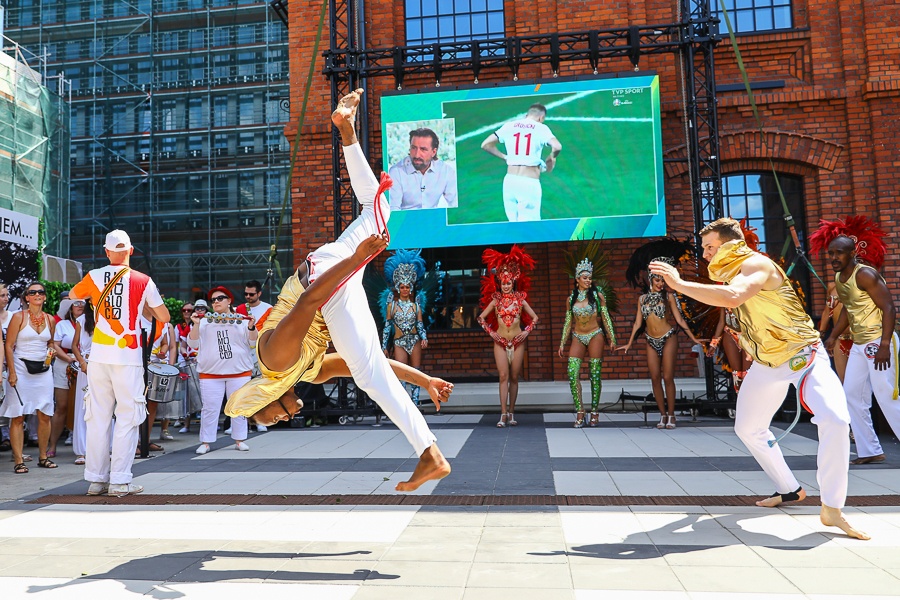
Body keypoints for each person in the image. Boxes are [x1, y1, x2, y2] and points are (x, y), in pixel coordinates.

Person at [225, 88, 451, 492]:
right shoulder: (306, 372)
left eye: (271, 416)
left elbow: (312, 299)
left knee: (368, 375)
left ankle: (430, 454)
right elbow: (362, 362)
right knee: (379, 208)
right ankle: (346, 130)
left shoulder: (275, 359)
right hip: (329, 268)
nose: (282, 419)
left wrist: (358, 261)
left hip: (325, 277)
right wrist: (424, 380)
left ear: (266, 396)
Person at [648, 217, 868, 540]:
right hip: (767, 363)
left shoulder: (756, 265)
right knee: (747, 428)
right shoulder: (735, 272)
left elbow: (736, 297)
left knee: (835, 419)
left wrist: (679, 284)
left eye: (710, 247)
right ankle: (790, 489)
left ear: (730, 244)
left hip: (803, 355)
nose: (706, 255)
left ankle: (832, 507)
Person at [69, 229, 170, 498]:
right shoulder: (143, 280)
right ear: (131, 251)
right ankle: (120, 481)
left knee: (98, 418)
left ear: (107, 251)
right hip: (128, 356)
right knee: (128, 418)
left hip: (99, 356)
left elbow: (72, 294)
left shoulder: (92, 276)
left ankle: (96, 479)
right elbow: (164, 315)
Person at [811, 219, 899, 466]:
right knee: (851, 394)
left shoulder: (866, 274)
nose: (834, 257)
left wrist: (884, 345)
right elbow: (849, 310)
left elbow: (889, 308)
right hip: (860, 343)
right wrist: (833, 336)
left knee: (886, 395)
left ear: (853, 253)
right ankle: (869, 449)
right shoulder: (840, 278)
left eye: (839, 252)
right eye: (831, 254)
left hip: (878, 341)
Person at [619, 238, 701, 429]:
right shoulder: (642, 299)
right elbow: (638, 322)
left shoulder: (669, 296)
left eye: (663, 280)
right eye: (657, 279)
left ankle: (672, 415)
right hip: (650, 340)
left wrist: (694, 338)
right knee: (655, 377)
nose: (660, 283)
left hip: (668, 337)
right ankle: (662, 415)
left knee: (667, 377)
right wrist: (629, 343)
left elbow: (680, 319)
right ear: (650, 278)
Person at [477, 245, 539, 427]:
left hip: (518, 341)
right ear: (499, 283)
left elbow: (535, 318)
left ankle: (512, 412)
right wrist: (493, 333)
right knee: (503, 376)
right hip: (500, 342)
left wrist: (526, 331)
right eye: (503, 283)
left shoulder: (520, 299)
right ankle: (503, 413)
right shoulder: (496, 300)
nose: (505, 286)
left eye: (509, 282)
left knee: (513, 377)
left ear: (513, 282)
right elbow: (481, 318)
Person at [189, 286, 256, 454]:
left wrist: (251, 327)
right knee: (210, 408)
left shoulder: (241, 319)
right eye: (213, 300)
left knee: (238, 407)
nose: (216, 302)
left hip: (239, 372)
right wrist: (195, 325)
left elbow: (253, 342)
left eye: (220, 298)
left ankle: (239, 440)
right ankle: (206, 442)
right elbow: (192, 344)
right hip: (210, 373)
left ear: (229, 300)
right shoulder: (203, 321)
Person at [559, 244, 617, 428]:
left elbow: (605, 317)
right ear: (577, 279)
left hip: (595, 335)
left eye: (590, 278)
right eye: (585, 278)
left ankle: (595, 411)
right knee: (572, 373)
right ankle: (579, 411)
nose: (588, 281)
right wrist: (562, 343)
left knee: (595, 374)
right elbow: (568, 322)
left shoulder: (598, 296)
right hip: (578, 336)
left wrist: (612, 337)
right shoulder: (570, 299)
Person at [2, 281, 57, 473]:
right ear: (26, 297)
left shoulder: (50, 319)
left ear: (44, 296)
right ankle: (19, 460)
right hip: (20, 367)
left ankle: (43, 457)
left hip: (43, 370)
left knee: (45, 414)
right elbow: (8, 345)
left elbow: (50, 342)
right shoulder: (18, 317)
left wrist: (51, 351)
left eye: (41, 292)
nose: (37, 295)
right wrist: (12, 373)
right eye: (32, 292)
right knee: (18, 415)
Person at [481, 104, 562, 222]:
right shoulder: (541, 128)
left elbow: (485, 145)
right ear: (541, 118)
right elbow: (557, 146)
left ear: (526, 115)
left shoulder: (509, 126)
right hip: (528, 184)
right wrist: (552, 157)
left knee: (514, 226)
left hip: (509, 182)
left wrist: (505, 157)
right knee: (530, 229)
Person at [381, 249, 430, 406]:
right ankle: (404, 404)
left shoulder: (416, 306)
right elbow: (387, 326)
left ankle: (414, 402)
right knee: (402, 372)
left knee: (416, 371)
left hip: (414, 340)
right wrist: (384, 346)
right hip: (399, 342)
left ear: (411, 288)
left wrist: (424, 337)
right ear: (398, 288)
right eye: (402, 287)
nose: (405, 290)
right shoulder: (392, 306)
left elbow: (420, 324)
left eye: (407, 287)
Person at [48, 297, 85, 457]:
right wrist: (68, 358)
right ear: (70, 308)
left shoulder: (89, 323)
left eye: (83, 304)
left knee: (84, 406)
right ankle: (52, 445)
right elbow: (54, 344)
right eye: (76, 304)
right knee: (61, 406)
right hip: (64, 364)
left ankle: (83, 445)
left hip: (84, 365)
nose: (79, 306)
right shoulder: (62, 325)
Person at [388, 128, 458, 210]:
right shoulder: (396, 172)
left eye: (423, 149)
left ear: (433, 152)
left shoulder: (446, 171)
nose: (417, 155)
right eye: (413, 148)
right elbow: (393, 210)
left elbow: (455, 204)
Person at [70, 301, 95, 465]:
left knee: (105, 407)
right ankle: (82, 451)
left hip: (105, 365)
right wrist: (82, 363)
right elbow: (74, 346)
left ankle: (105, 447)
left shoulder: (107, 318)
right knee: (83, 406)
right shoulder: (83, 320)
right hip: (86, 365)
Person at [0, 283, 13, 452]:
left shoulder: (13, 316)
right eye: (2, 295)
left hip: (10, 365)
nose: (6, 298)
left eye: (6, 295)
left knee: (8, 404)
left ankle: (7, 437)